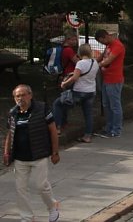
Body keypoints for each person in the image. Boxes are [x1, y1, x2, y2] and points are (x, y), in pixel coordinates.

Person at [4, 84, 61, 222]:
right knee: (21, 189)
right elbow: (10, 134)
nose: (20, 98)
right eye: (17, 96)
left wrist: (55, 152)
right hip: (20, 158)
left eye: (23, 95)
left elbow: (53, 131)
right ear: (14, 98)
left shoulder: (42, 109)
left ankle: (52, 207)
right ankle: (27, 217)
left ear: (30, 95)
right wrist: (6, 152)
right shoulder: (13, 113)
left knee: (41, 186)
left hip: (38, 155)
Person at [53, 43, 99, 143]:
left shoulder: (80, 63)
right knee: (88, 114)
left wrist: (64, 83)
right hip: (91, 91)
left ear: (80, 52)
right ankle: (87, 136)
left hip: (79, 91)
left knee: (58, 104)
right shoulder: (94, 62)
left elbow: (75, 77)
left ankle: (57, 128)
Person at [95, 28, 125, 138]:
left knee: (115, 105)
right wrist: (92, 62)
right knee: (107, 105)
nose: (101, 43)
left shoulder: (117, 46)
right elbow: (102, 57)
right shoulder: (108, 46)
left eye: (101, 41)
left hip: (114, 80)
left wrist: (95, 66)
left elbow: (108, 60)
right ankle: (109, 127)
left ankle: (116, 129)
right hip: (106, 79)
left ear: (106, 36)